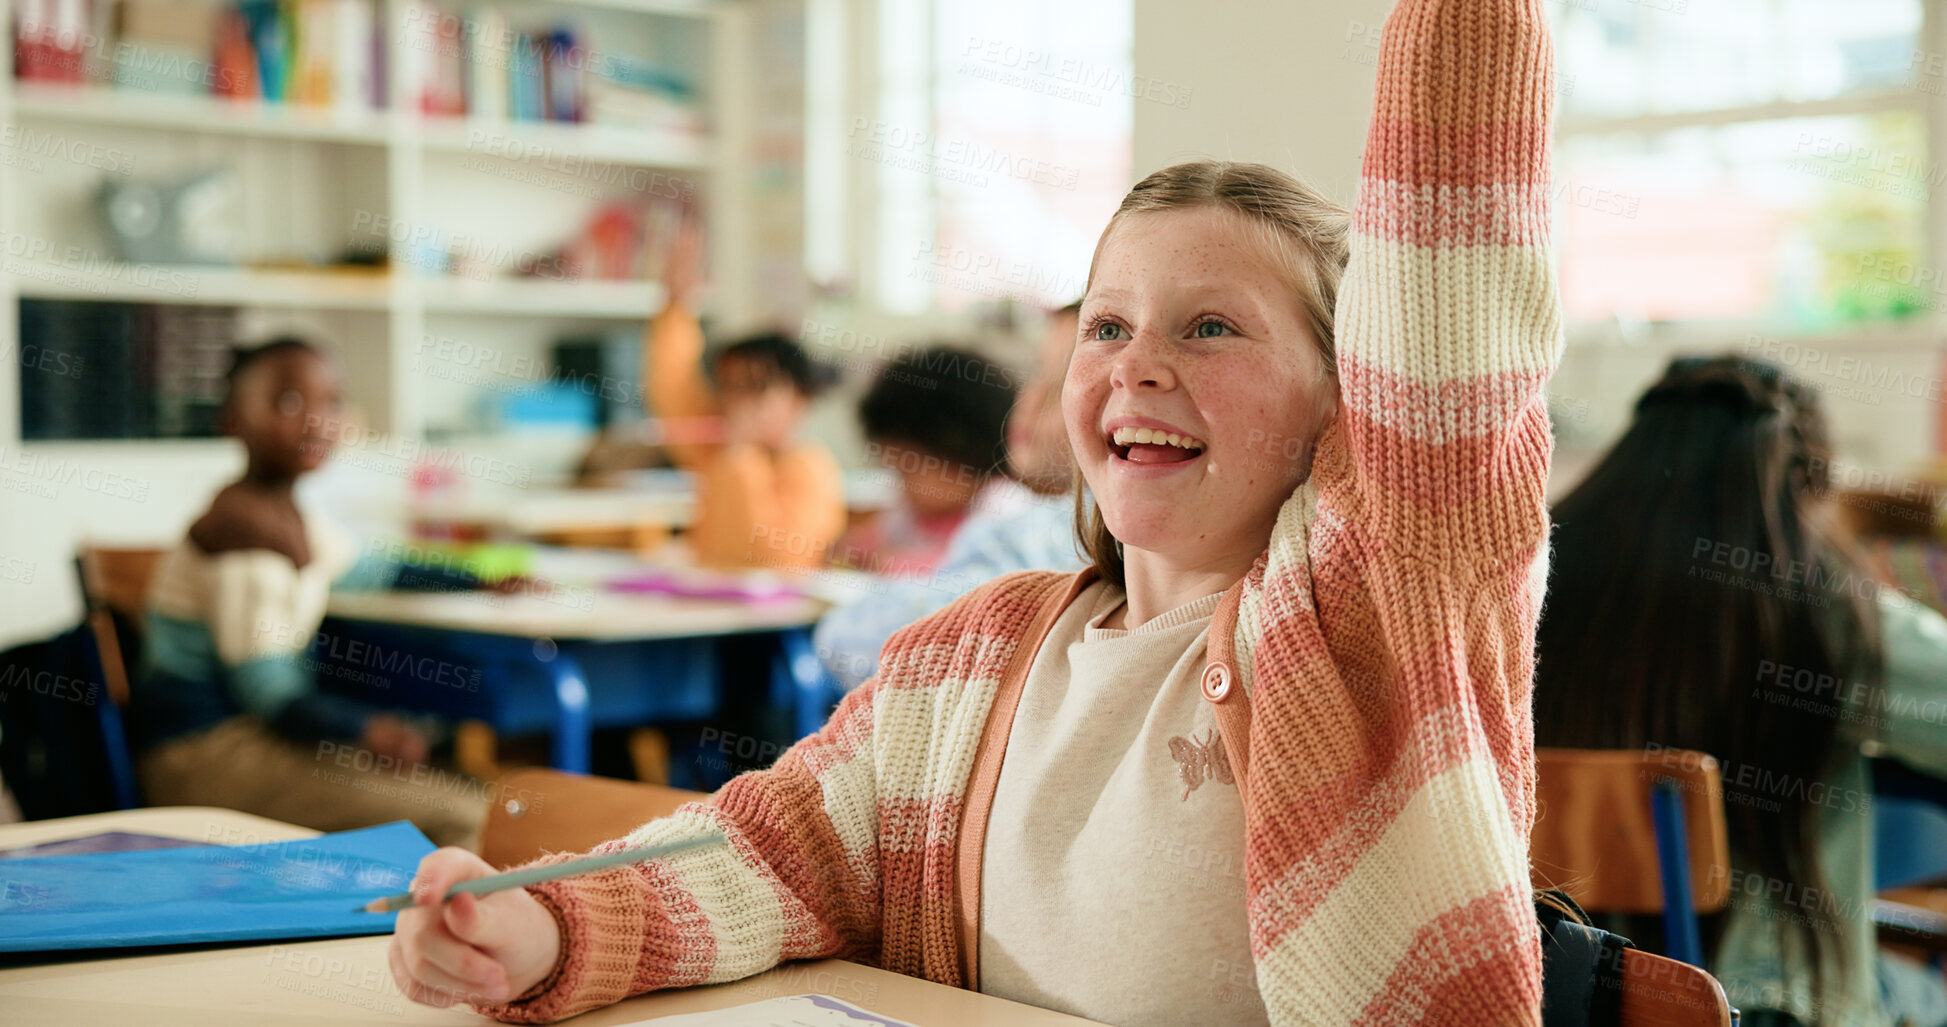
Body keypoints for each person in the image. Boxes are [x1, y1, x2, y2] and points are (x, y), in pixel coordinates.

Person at [390, 2, 1559, 1021]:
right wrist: (543, 928)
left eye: (1212, 326)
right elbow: (768, 854)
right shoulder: (968, 652)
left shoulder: (1373, 607)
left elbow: (1454, 268)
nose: (1137, 364)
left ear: (1349, 398)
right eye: (1108, 325)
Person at [1532, 356, 1947, 1027]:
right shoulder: (1821, 607)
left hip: (1571, 990)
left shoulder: (1534, 572)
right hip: (1770, 1004)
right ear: (1802, 484)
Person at [131, 338, 490, 849]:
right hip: (206, 756)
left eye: (332, 402)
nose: (319, 421)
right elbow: (271, 695)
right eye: (289, 402)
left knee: (466, 788)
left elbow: (374, 568)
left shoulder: (291, 514)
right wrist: (369, 731)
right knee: (462, 815)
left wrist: (480, 578)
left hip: (253, 737)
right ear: (232, 421)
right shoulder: (241, 528)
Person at [813, 303, 1086, 690]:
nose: (1028, 401)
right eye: (1033, 375)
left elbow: (854, 639)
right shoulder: (1045, 525)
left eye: (1057, 382)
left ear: (960, 452)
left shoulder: (1016, 523)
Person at [644, 221, 845, 571]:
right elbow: (673, 388)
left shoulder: (809, 467)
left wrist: (740, 456)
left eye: (757, 389)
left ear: (800, 400)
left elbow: (776, 559)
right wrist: (676, 305)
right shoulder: (716, 453)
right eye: (729, 388)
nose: (738, 403)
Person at [835, 344, 1021, 577]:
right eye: (897, 470)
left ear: (963, 453)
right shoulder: (911, 513)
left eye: (911, 468)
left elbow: (976, 576)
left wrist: (891, 563)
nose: (905, 486)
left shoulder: (1003, 507)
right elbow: (873, 542)